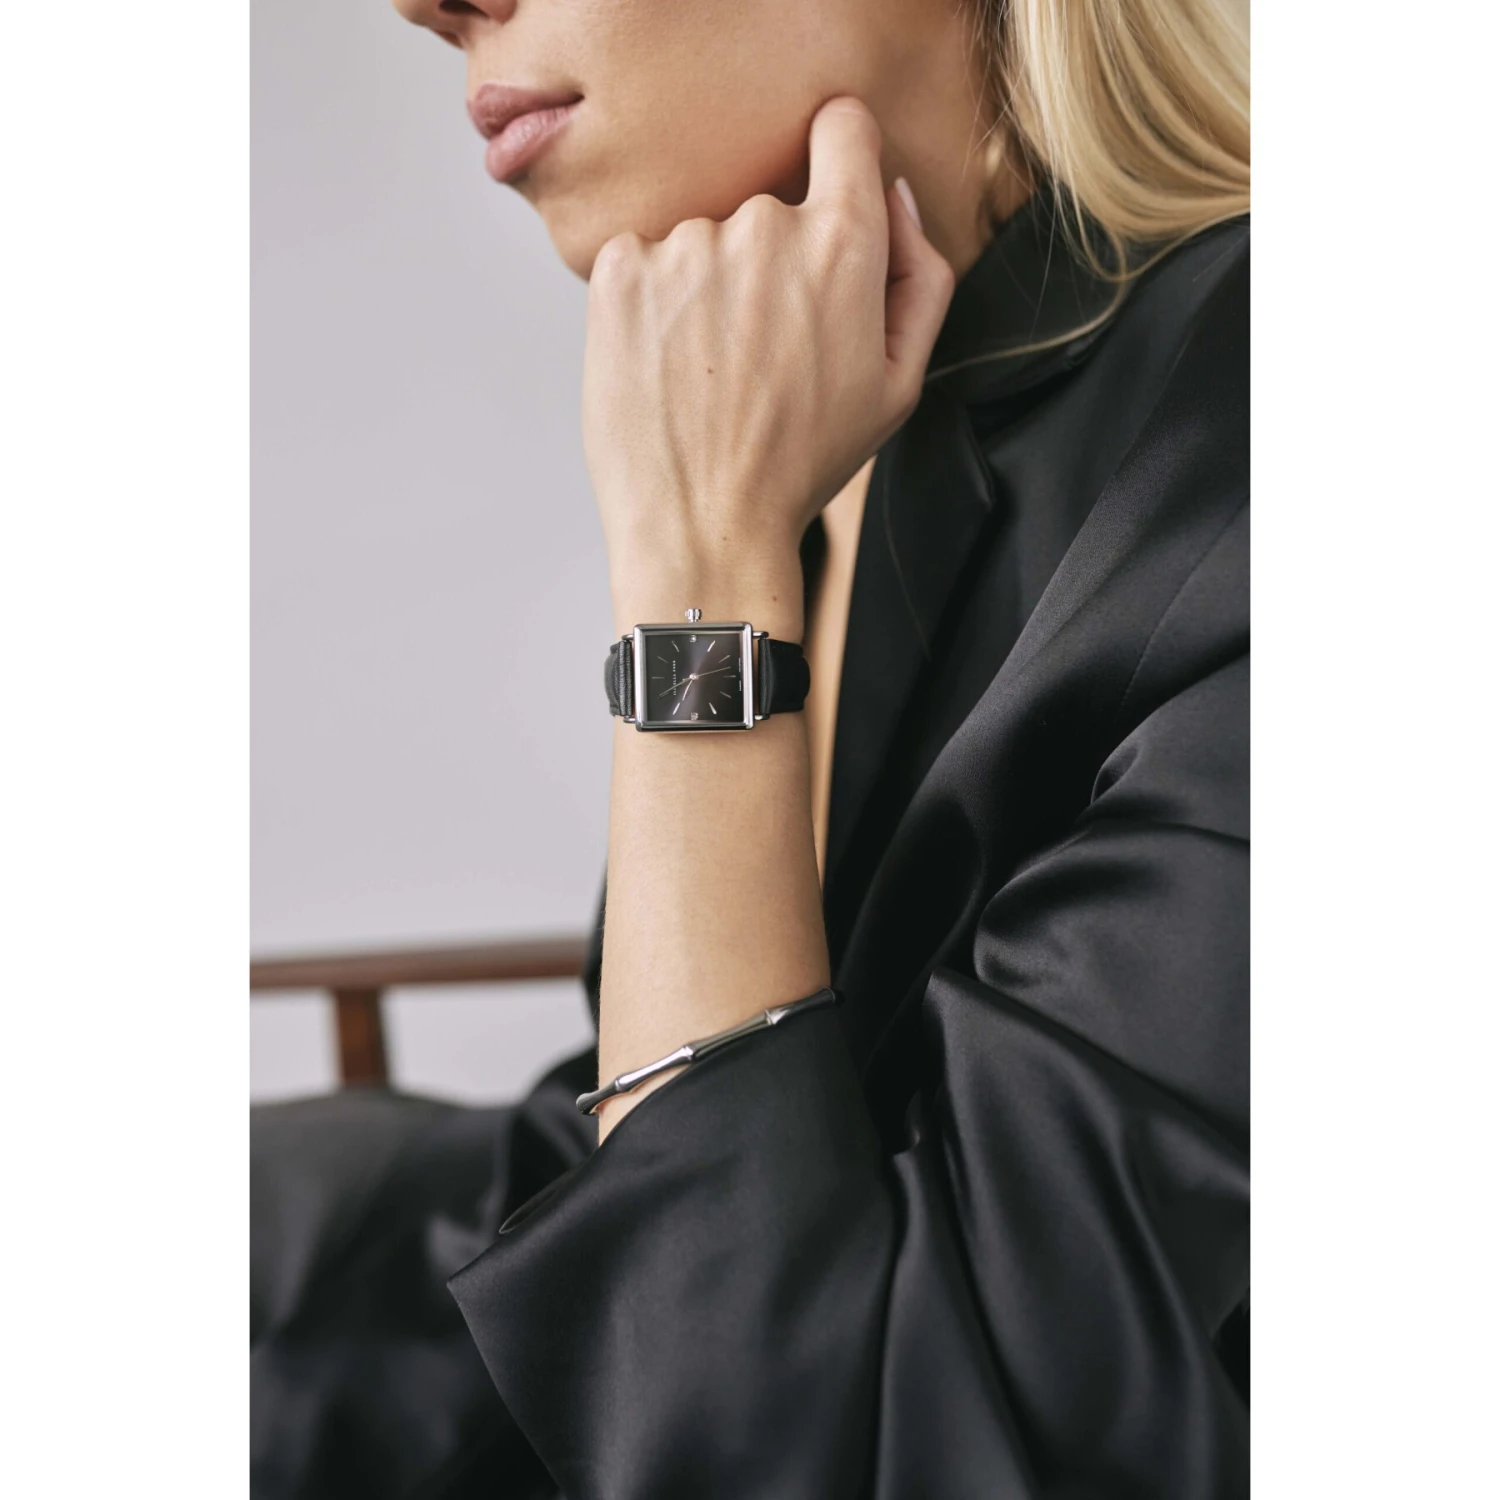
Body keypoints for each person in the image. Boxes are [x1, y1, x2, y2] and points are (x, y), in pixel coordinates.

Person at [251, 0, 1250, 1495]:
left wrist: (700, 579)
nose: (422, 4)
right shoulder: (864, 406)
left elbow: (774, 1432)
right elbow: (664, 1152)